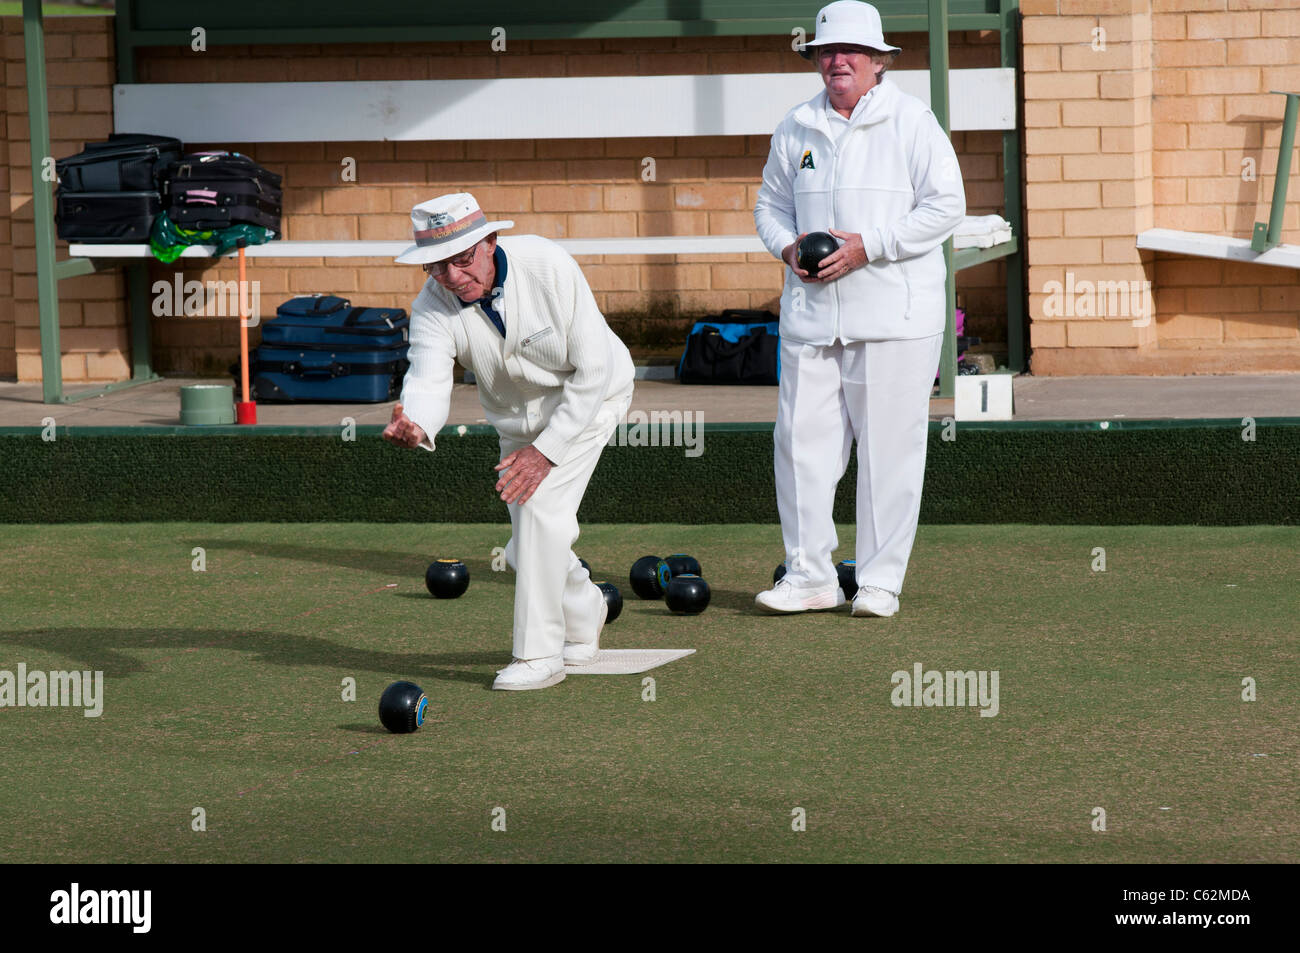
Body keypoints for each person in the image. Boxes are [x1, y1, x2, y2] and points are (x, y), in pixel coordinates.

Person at [752, 1, 966, 618]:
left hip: (894, 320)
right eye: (826, 52)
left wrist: (869, 247)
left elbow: (946, 206)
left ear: (877, 61)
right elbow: (769, 207)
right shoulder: (796, 126)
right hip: (812, 318)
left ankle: (878, 583)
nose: (836, 61)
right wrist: (788, 246)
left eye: (850, 52)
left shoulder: (912, 121)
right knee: (799, 448)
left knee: (889, 453)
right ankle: (811, 576)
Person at [383, 193, 634, 690]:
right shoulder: (432, 305)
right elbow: (429, 377)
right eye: (437, 267)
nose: (453, 277)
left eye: (462, 259)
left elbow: (594, 369)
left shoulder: (547, 264)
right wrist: (416, 421)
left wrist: (547, 452)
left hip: (592, 400)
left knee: (539, 513)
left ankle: (539, 655)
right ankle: (586, 615)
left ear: (489, 241)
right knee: (525, 551)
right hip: (518, 426)